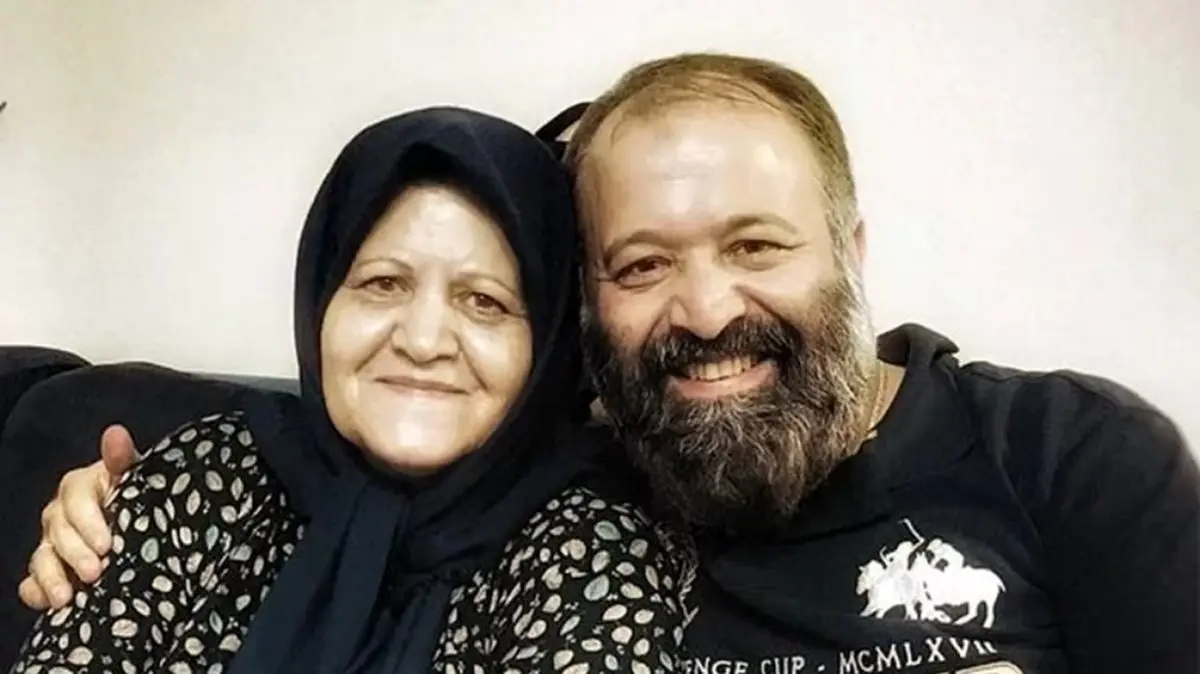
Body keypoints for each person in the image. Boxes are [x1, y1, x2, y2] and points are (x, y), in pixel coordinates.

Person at [23, 53, 1199, 674]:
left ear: (851, 253)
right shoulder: (599, 468)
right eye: (643, 263)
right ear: (585, 309)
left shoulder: (1068, 457)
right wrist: (112, 505)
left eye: (756, 245)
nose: (706, 309)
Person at [9, 106, 689, 673]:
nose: (423, 340)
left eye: (484, 301)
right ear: (321, 302)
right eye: (382, 284)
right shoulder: (206, 473)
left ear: (548, 345)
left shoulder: (592, 548)